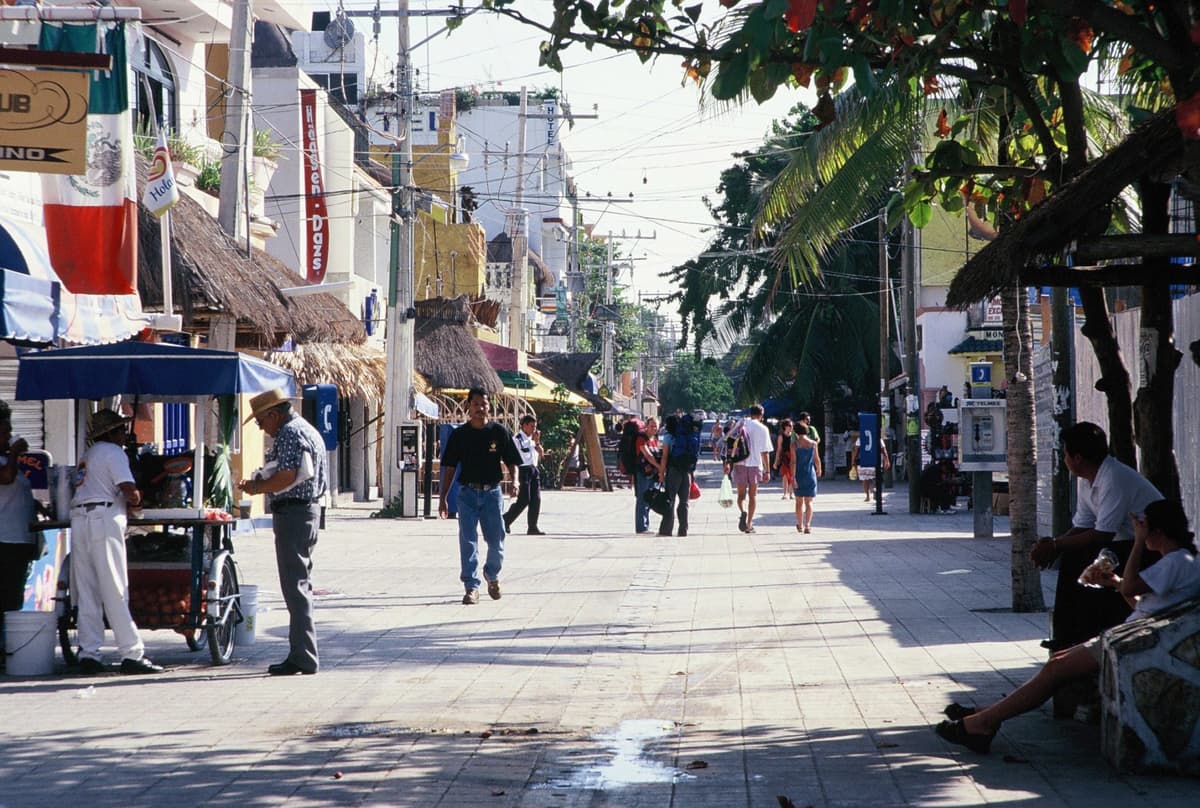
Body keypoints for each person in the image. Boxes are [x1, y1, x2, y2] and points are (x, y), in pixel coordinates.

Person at [937, 498, 1200, 754]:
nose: (1137, 532)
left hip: (1134, 641)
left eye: (1142, 527)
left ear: (1157, 531)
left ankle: (984, 723)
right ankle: (988, 714)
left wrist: (1138, 545)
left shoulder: (1176, 561)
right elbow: (1141, 603)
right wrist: (1115, 582)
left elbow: (1133, 589)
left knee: (1056, 669)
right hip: (1135, 634)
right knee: (1057, 662)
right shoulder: (1179, 562)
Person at [1029, 421, 1163, 650]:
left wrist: (1056, 545)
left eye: (1065, 454)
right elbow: (1083, 524)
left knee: (1082, 558)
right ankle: (1067, 634)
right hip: (1122, 544)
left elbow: (1102, 534)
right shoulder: (1088, 480)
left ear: (1077, 457)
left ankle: (1079, 633)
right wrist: (1055, 545)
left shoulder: (1114, 478)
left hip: (1147, 548)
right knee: (1072, 557)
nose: (1065, 460)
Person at [238, 388, 329, 676]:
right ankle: (300, 652)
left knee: (295, 586)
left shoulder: (290, 433)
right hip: (304, 512)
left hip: (295, 512)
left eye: (261, 422)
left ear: (274, 415)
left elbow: (289, 476)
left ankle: (303, 655)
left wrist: (256, 488)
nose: (262, 428)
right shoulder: (304, 429)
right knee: (299, 584)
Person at [70, 409, 163, 675]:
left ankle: (89, 652)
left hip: (80, 519)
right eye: (121, 430)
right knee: (115, 587)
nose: (125, 434)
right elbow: (129, 490)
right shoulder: (113, 453)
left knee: (87, 590)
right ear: (109, 433)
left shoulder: (87, 456)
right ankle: (131, 653)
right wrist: (138, 501)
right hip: (102, 519)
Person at [438, 388, 521, 604]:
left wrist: (515, 480)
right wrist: (443, 498)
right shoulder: (459, 435)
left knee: (496, 539)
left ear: (489, 407)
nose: (480, 408)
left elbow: (512, 460)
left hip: (492, 494)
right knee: (468, 540)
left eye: (483, 404)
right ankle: (471, 587)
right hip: (466, 494)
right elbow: (448, 467)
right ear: (468, 407)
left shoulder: (499, 432)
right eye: (475, 404)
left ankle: (491, 574)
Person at [0, 404, 37, 666]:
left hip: (18, 540)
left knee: (12, 598)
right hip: (3, 540)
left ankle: (6, 648)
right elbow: (6, 478)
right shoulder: (6, 462)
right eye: (5, 432)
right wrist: (14, 453)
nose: (10, 435)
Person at [725, 404, 772, 533]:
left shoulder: (740, 425)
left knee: (741, 495)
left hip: (740, 463)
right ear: (761, 415)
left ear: (750, 413)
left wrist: (728, 462)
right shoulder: (763, 429)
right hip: (755, 465)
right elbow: (765, 452)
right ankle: (749, 523)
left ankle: (743, 511)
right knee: (753, 495)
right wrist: (767, 470)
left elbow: (729, 443)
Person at [503, 415, 545, 535]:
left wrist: (537, 442)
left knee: (536, 499)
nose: (534, 429)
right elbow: (514, 457)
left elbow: (541, 454)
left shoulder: (533, 439)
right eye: (532, 426)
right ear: (524, 425)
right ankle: (506, 519)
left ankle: (533, 526)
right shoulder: (517, 439)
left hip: (533, 470)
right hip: (522, 470)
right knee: (524, 499)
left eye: (535, 427)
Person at [657, 414, 692, 537]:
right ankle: (683, 529)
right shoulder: (687, 435)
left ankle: (667, 529)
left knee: (670, 500)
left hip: (673, 471)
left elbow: (665, 457)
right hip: (686, 471)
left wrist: (661, 473)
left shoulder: (668, 436)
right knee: (684, 502)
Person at [792, 413, 822, 533]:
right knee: (809, 501)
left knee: (799, 501)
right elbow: (817, 459)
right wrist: (819, 469)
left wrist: (793, 478)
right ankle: (808, 525)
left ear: (796, 432)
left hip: (799, 475)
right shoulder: (813, 444)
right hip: (810, 474)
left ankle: (799, 524)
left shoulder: (794, 445)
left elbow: (793, 462)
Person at [633, 416, 662, 534]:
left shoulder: (654, 439)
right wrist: (659, 467)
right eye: (651, 426)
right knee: (642, 499)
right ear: (646, 426)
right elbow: (648, 455)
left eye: (656, 426)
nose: (654, 428)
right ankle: (641, 527)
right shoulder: (641, 438)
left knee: (649, 499)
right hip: (643, 474)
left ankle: (645, 525)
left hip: (652, 473)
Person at [850, 433, 889, 502]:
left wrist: (853, 461)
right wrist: (887, 460)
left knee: (865, 479)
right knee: (875, 478)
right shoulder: (879, 439)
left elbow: (856, 450)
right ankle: (875, 489)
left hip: (863, 461)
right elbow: (884, 450)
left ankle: (867, 496)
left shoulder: (861, 439)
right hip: (876, 461)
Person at [774, 419, 797, 500]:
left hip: (793, 456)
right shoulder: (781, 436)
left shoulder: (794, 435)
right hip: (785, 457)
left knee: (792, 475)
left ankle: (791, 493)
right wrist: (776, 462)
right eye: (790, 426)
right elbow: (779, 449)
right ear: (785, 427)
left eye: (792, 426)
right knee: (785, 475)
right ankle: (785, 493)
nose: (791, 427)